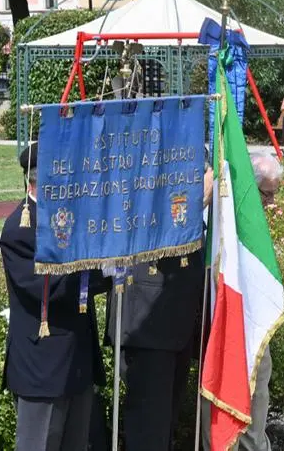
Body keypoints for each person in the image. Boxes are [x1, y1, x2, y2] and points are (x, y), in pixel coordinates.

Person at [1, 143, 107, 451]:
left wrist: (111, 268)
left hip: (77, 361)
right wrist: (92, 265)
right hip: (42, 369)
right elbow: (48, 287)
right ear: (36, 181)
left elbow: (89, 278)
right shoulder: (20, 228)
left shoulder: (68, 217)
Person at [110, 164, 213, 451]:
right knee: (149, 430)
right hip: (149, 319)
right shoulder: (145, 153)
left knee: (164, 425)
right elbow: (158, 213)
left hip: (176, 319)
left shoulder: (183, 145)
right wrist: (199, 197)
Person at [203, 152, 284, 451]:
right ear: (249, 186)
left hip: (252, 318)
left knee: (258, 383)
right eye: (267, 194)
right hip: (223, 316)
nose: (272, 202)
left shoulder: (253, 219)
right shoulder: (223, 213)